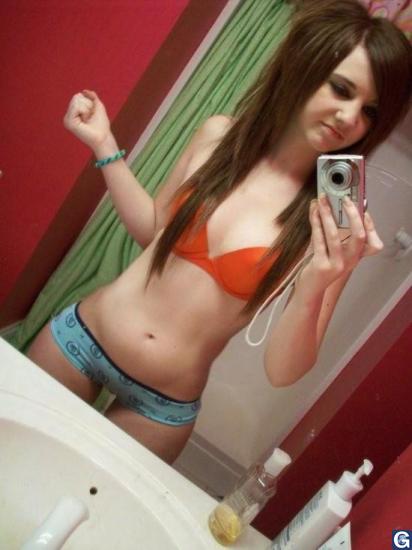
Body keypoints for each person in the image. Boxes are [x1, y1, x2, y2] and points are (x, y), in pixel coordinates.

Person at [27, 0, 412, 464]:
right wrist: (104, 146)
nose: (350, 118)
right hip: (81, 338)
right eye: (341, 88)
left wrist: (317, 283)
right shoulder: (217, 136)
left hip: (159, 407)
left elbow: (282, 371)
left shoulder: (333, 216)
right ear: (304, 67)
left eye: (370, 111)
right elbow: (154, 232)